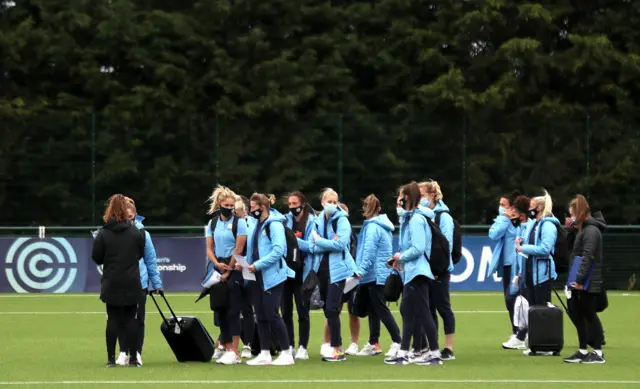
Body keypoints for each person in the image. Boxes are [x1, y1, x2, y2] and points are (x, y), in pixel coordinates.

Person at [385, 182, 443, 366]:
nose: (398, 200)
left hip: (417, 272)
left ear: (407, 197)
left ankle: (433, 353)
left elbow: (417, 248)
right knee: (408, 311)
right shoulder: (411, 218)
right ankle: (406, 352)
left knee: (421, 312)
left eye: (401, 196)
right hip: (412, 271)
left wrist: (400, 257)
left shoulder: (416, 219)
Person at [91, 194, 146, 368]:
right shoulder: (136, 232)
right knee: (131, 318)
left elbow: (97, 257)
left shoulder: (103, 233)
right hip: (131, 280)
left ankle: (111, 359)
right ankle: (133, 358)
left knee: (112, 319)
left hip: (111, 280)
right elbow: (140, 254)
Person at [240, 193, 294, 366]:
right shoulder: (254, 224)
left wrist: (258, 265)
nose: (251, 212)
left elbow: (278, 251)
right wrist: (245, 264)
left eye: (253, 208)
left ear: (262, 208)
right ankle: (265, 352)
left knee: (272, 313)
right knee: (261, 315)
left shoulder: (275, 225)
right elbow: (252, 249)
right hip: (256, 276)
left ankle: (286, 352)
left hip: (272, 275)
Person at [310, 188, 358, 362]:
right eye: (328, 201)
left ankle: (338, 349)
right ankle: (333, 346)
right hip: (321, 269)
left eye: (334, 201)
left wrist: (319, 241)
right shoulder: (317, 220)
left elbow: (340, 245)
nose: (331, 205)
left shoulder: (342, 220)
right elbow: (312, 246)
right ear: (322, 202)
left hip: (339, 271)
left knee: (332, 308)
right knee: (327, 309)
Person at [115, 198, 163, 366]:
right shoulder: (114, 232)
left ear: (135, 215)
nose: (128, 219)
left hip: (139, 283)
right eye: (125, 216)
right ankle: (123, 351)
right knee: (120, 318)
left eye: (131, 216)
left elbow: (150, 260)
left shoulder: (143, 234)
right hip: (119, 283)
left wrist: (156, 283)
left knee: (137, 320)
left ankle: (137, 353)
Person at [205, 185, 249, 365]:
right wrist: (216, 264)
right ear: (219, 204)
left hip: (235, 269)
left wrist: (228, 269)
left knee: (233, 310)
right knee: (220, 309)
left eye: (232, 205)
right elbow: (209, 248)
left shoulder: (240, 223)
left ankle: (235, 351)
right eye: (226, 205)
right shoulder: (212, 223)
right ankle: (226, 346)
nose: (229, 208)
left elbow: (239, 248)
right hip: (218, 268)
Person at [354, 194, 402, 357]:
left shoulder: (373, 227)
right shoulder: (382, 225)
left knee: (380, 309)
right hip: (379, 272)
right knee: (374, 309)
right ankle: (374, 342)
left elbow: (368, 252)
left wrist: (360, 270)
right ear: (379, 208)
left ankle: (398, 341)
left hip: (374, 273)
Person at [512, 189, 560, 353]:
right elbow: (530, 242)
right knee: (533, 309)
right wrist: (521, 241)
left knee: (543, 309)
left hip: (541, 274)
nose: (529, 209)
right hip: (530, 273)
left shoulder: (548, 225)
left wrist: (523, 247)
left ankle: (546, 345)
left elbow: (545, 249)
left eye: (532, 206)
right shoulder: (535, 223)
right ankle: (536, 343)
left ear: (539, 207)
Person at [563, 195, 606, 364]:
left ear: (579, 213)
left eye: (573, 214)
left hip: (587, 280)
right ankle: (582, 350)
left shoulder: (591, 231)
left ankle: (598, 352)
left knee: (589, 315)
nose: (571, 218)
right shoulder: (583, 229)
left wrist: (580, 279)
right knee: (576, 312)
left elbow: (588, 256)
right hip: (579, 277)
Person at [486, 192, 529, 349]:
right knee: (509, 299)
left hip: (516, 264)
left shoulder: (517, 222)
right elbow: (493, 234)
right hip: (506, 264)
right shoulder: (504, 220)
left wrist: (505, 218)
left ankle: (521, 333)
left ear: (512, 207)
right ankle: (517, 331)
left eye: (504, 205)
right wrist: (504, 218)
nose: (501, 207)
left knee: (514, 299)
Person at [419, 181, 456, 360]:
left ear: (432, 196)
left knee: (443, 307)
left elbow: (446, 245)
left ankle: (448, 348)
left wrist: (438, 268)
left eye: (422, 195)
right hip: (426, 269)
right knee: (429, 308)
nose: (420, 199)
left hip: (439, 270)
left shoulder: (444, 217)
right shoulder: (423, 215)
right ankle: (431, 345)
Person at [282, 191, 316, 360]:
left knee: (303, 310)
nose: (292, 207)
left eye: (295, 204)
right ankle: (289, 345)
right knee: (286, 311)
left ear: (303, 204)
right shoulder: (284, 220)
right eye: (290, 204)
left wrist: (294, 241)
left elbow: (311, 246)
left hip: (303, 271)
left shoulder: (311, 221)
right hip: (286, 271)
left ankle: (303, 346)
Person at [234, 195, 256, 359]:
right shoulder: (225, 224)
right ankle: (225, 343)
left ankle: (247, 344)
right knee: (231, 308)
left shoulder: (252, 224)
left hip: (248, 269)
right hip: (233, 268)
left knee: (248, 309)